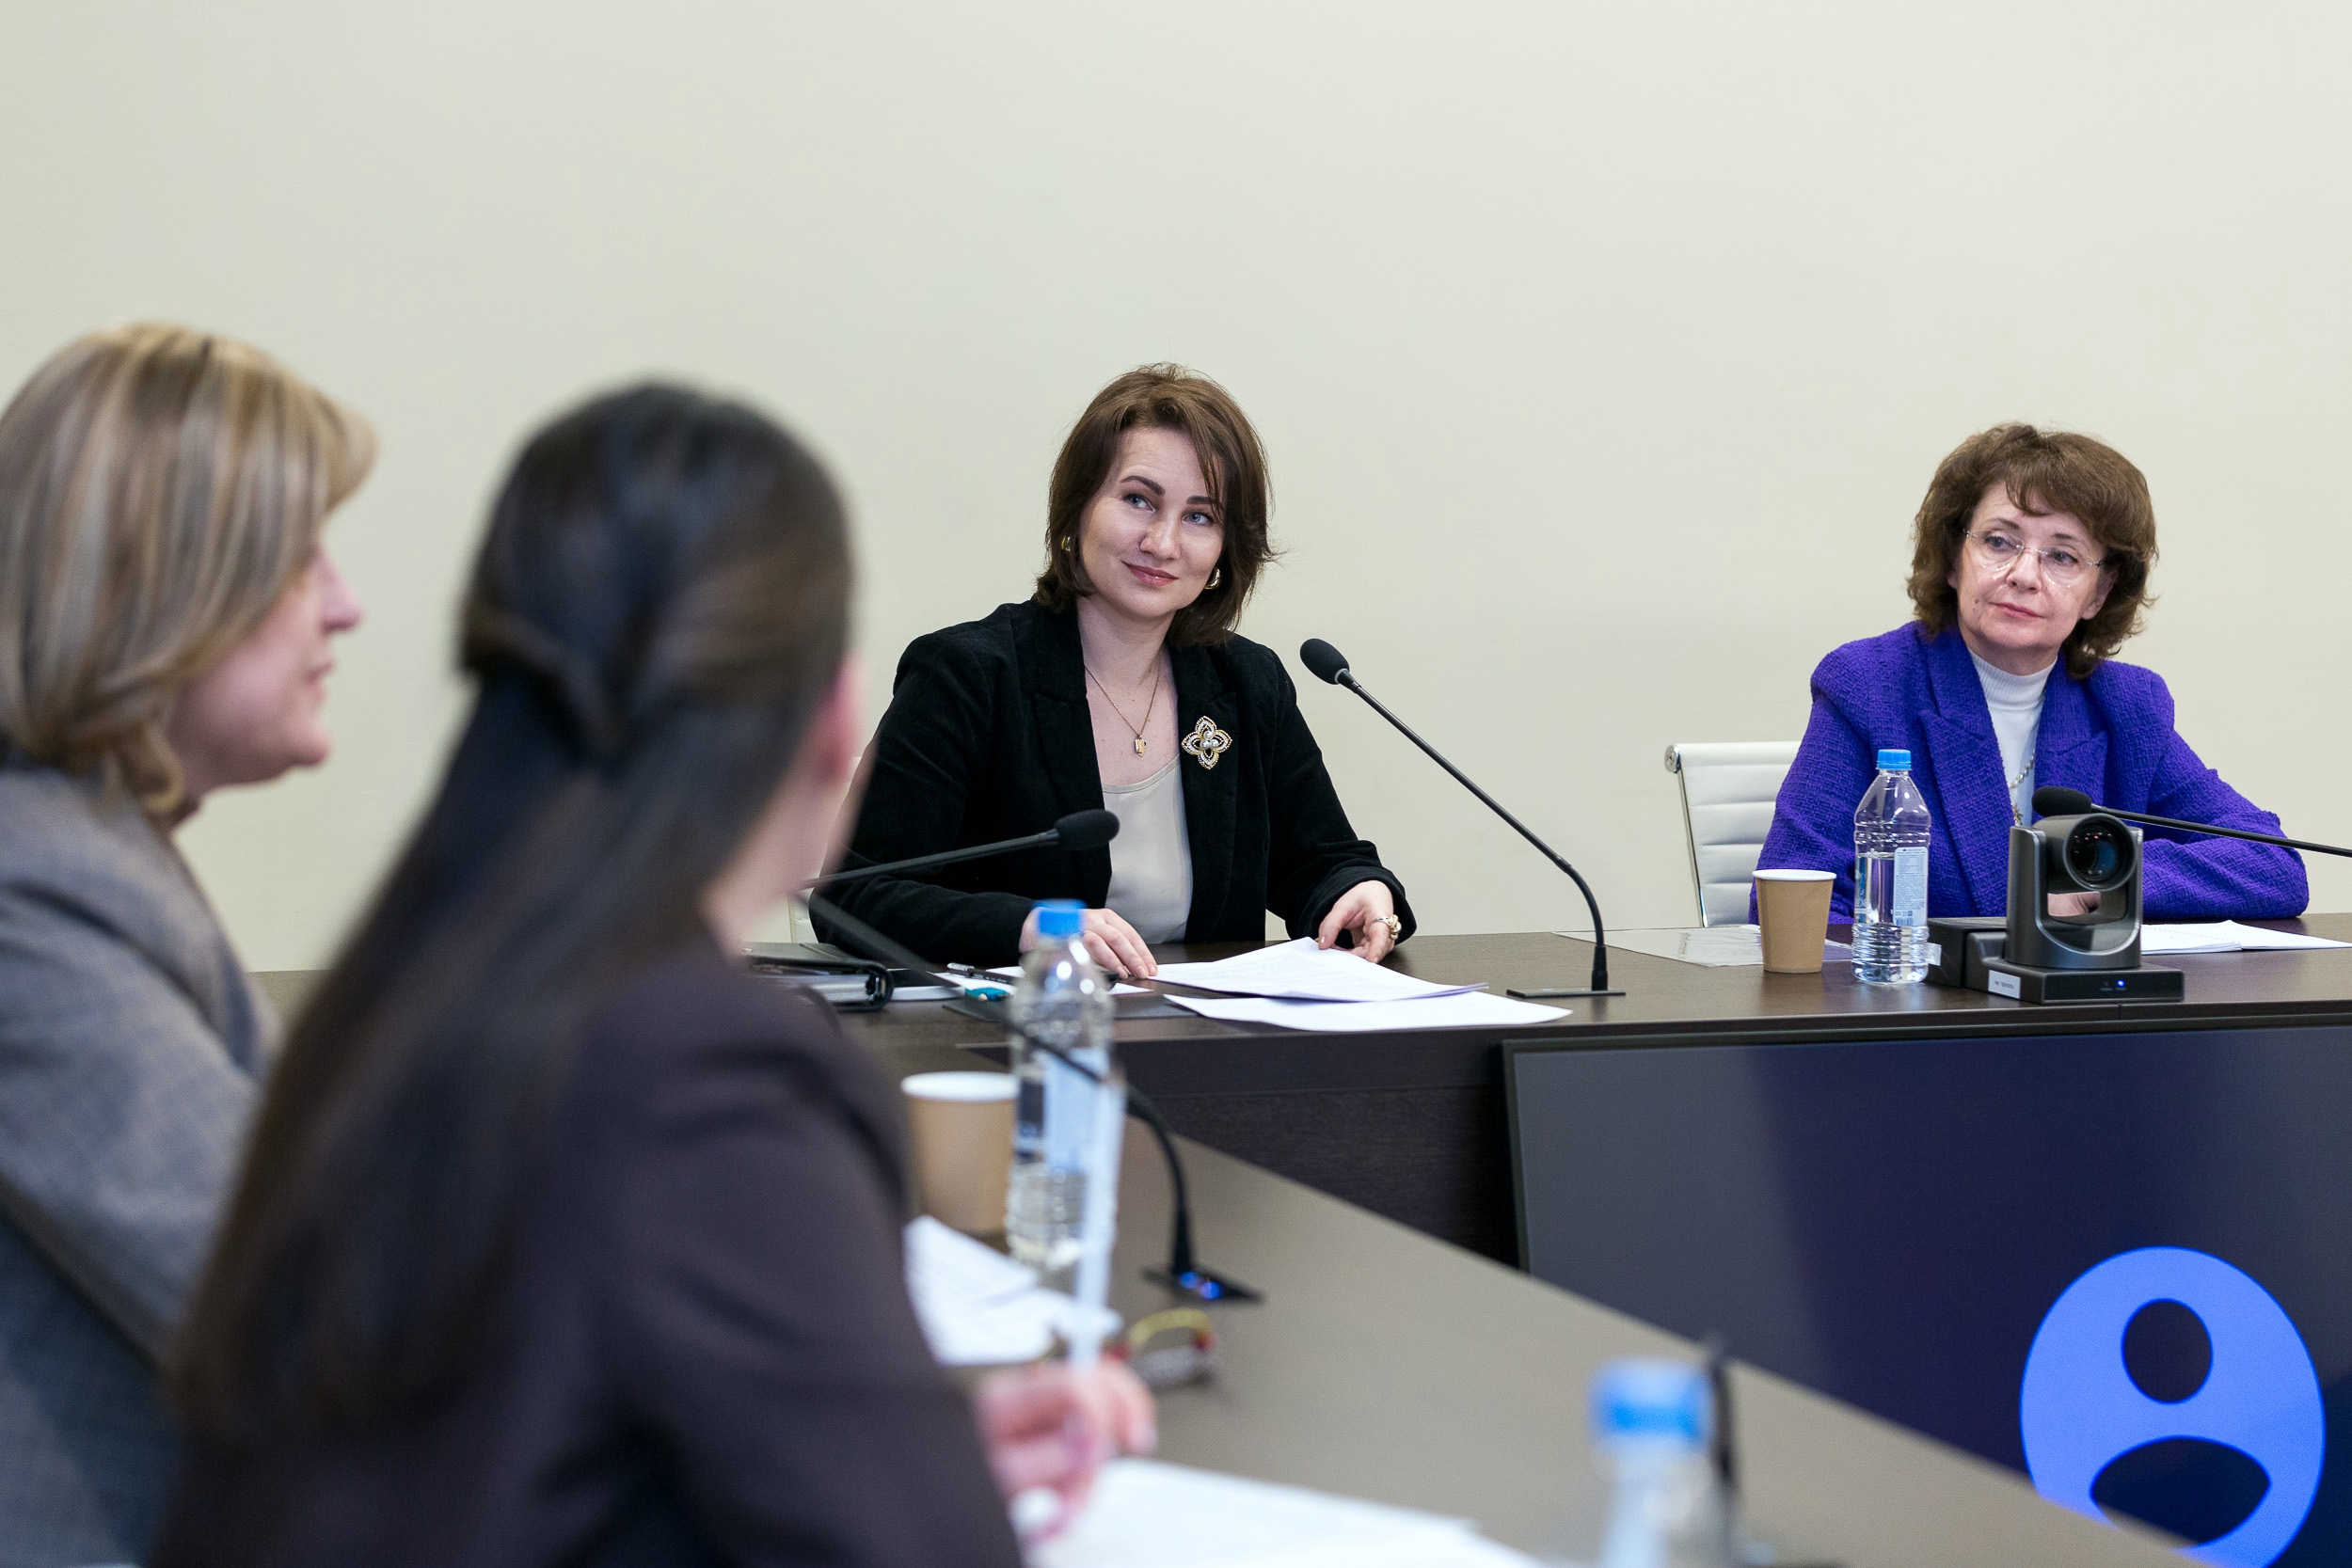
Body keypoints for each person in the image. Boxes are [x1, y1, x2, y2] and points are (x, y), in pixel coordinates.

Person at [158, 385, 1152, 1565]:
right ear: (834, 721)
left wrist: (886, 1445)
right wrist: (913, 1474)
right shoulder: (702, 1067)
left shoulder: (393, 985)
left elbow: (515, 1441)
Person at [0, 324, 371, 1568]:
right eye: (301, 561)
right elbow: (292, 1311)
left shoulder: (92, 844)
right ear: (163, 586)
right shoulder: (30, 889)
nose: (346, 605)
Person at [819, 364, 1411, 976]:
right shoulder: (968, 677)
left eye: (1200, 516)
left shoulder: (1246, 683)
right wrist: (1034, 927)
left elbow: (1320, 861)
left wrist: (1361, 891)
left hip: (1205, 1032)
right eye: (1138, 500)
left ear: (1223, 552)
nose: (1162, 542)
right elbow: (854, 897)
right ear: (1078, 510)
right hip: (1021, 1025)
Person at [1756, 423, 2305, 923]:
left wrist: (2101, 880)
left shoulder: (2126, 706)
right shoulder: (1869, 686)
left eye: (2062, 556)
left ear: (2099, 592)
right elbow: (1791, 902)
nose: (2023, 574)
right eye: (1999, 542)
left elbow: (2274, 865)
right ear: (1954, 559)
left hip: (2076, 1000)